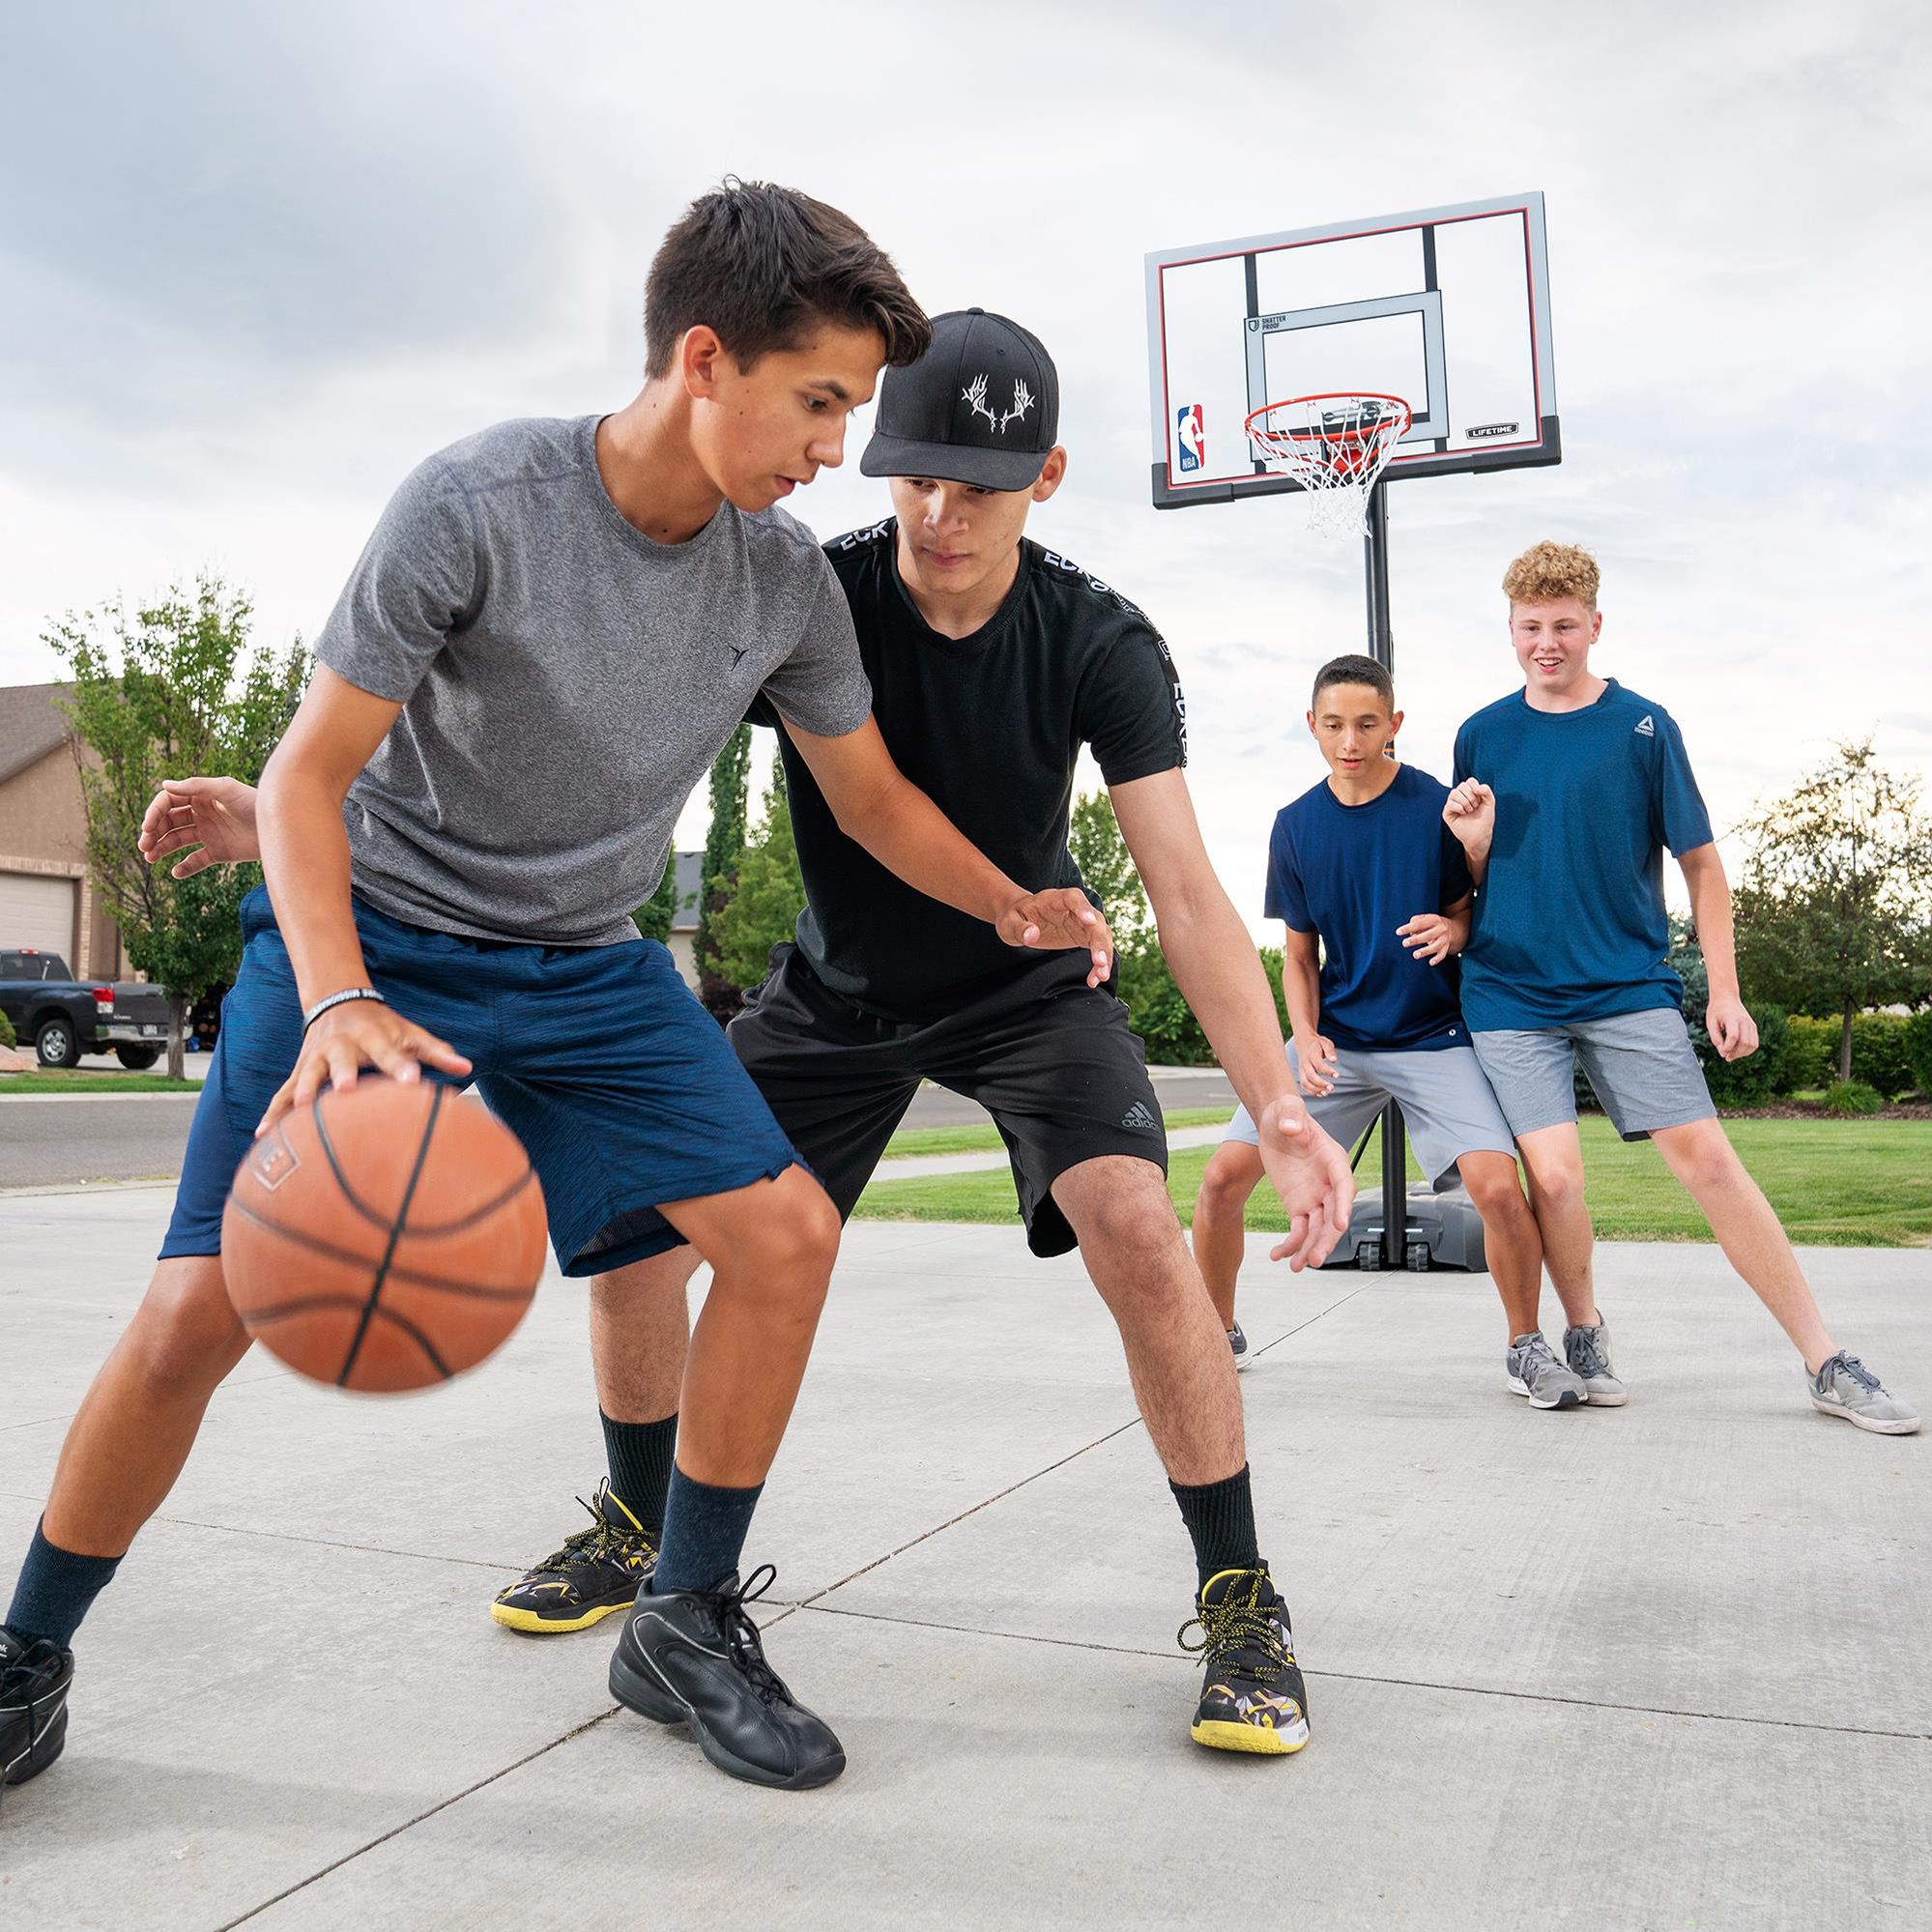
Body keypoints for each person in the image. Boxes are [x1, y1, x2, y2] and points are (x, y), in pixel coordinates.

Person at [0, 184, 1117, 1802]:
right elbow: (309, 777)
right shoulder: (478, 500)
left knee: (783, 1235)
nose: (835, 444)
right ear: (704, 359)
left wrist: (1014, 894)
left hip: (588, 969)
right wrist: (330, 1005)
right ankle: (29, 1649)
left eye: (851, 411)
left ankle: (679, 1613)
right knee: (200, 1307)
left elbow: (869, 797)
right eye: (819, 401)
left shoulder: (782, 585)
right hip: (372, 944)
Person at [135, 310, 1357, 1763]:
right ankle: (646, 1537)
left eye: (978, 482)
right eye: (912, 474)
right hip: (835, 990)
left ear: (1047, 475)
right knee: (644, 1216)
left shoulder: (1096, 639)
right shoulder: (803, 592)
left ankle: (1237, 1596)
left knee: (1135, 1226)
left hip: (1027, 980)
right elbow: (570, 726)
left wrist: (1275, 1103)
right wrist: (301, 803)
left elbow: (1186, 893)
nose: (939, 510)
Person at [1441, 540, 1918, 1434]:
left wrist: (1722, 990)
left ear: (1594, 624)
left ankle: (1825, 1360)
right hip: (1509, 991)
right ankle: (1581, 1331)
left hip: (1625, 985)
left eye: (1564, 625)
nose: (1548, 642)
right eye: (1530, 627)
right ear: (1510, 629)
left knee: (1708, 1162)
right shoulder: (1481, 733)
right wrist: (1470, 847)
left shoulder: (1644, 727)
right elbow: (1468, 878)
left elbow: (1702, 868)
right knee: (1555, 1174)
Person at [1190, 653, 1583, 1406]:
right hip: (1337, 1041)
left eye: (1366, 722)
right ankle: (1213, 1331)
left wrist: (1455, 927)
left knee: (1498, 1189)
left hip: (1434, 1035)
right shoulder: (1295, 826)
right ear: (1311, 725)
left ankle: (1525, 1348)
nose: (1349, 738)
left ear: (1393, 724)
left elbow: (1476, 907)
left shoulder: (1434, 807)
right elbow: (1298, 957)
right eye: (1333, 723)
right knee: (1220, 1179)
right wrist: (1302, 1035)